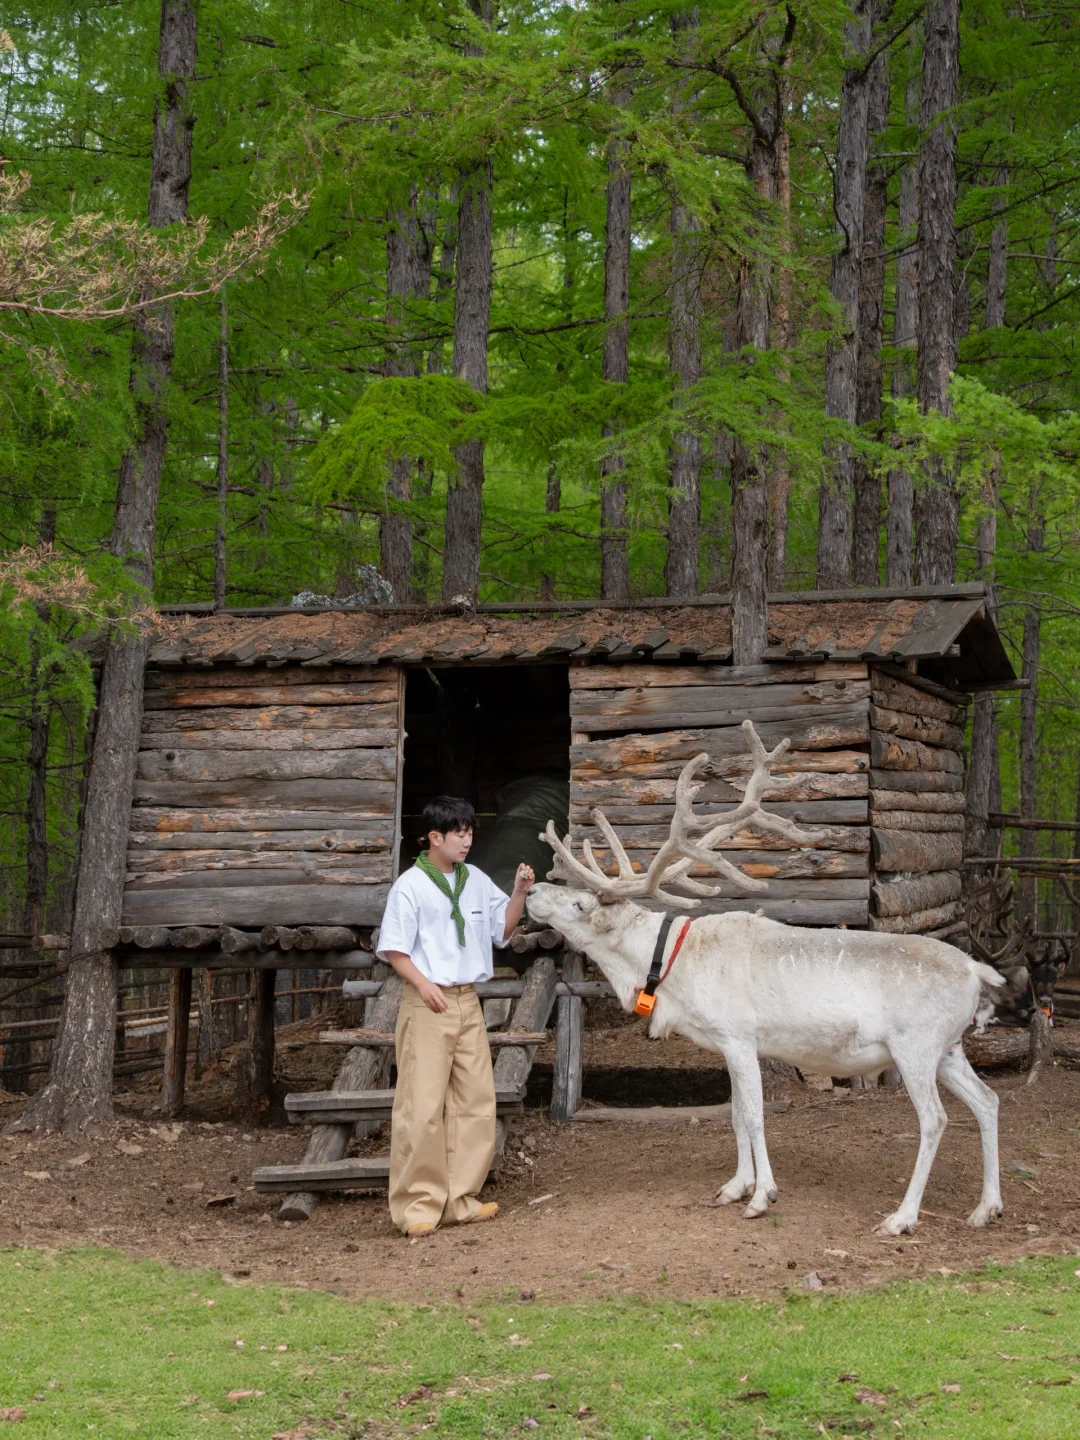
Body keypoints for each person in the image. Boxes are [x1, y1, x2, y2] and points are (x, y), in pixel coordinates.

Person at [376, 795, 535, 1237]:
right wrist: (423, 984)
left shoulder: (476, 879)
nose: (467, 841)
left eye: (469, 834)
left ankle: (461, 1200)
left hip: (468, 1000)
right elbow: (395, 949)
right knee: (422, 1105)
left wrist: (519, 893)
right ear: (435, 837)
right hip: (429, 1000)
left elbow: (502, 931)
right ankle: (417, 1207)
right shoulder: (410, 886)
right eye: (459, 834)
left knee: (475, 1102)